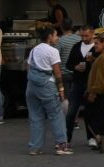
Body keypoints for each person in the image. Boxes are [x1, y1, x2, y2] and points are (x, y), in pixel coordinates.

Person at [26, 27, 73, 156]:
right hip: (46, 85)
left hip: (31, 86)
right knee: (56, 114)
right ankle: (61, 146)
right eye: (56, 35)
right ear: (50, 36)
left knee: (36, 117)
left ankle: (35, 148)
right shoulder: (52, 51)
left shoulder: (34, 50)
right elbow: (57, 73)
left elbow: (28, 67)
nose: (57, 38)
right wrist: (61, 90)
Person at [64, 26, 96, 145]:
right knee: (71, 112)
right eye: (82, 36)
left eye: (86, 36)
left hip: (91, 84)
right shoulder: (76, 46)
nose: (83, 38)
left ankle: (91, 137)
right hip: (77, 83)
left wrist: (92, 60)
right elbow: (68, 64)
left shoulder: (96, 47)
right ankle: (67, 138)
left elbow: (100, 64)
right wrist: (75, 67)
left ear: (92, 34)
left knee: (90, 112)